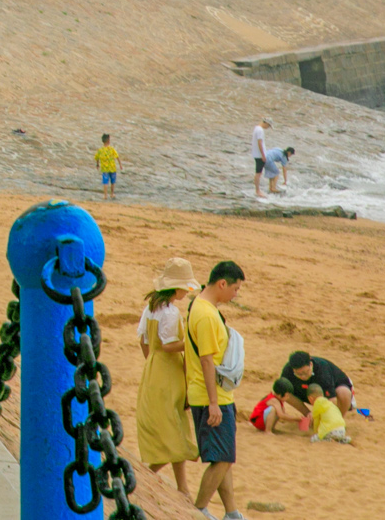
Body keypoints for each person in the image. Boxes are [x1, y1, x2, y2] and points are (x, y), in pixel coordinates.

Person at [184, 260, 246, 520]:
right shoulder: (207, 315)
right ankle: (198, 509)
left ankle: (231, 512)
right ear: (222, 283)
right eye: (235, 289)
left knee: (224, 457)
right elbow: (206, 360)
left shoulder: (197, 305)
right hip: (213, 396)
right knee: (222, 459)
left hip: (210, 393)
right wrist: (212, 403)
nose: (236, 295)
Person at [137, 258, 201, 495]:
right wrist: (192, 344)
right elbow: (169, 345)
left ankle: (182, 486)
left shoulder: (151, 307)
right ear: (176, 287)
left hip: (154, 368)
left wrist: (151, 364)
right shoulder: (171, 312)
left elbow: (143, 340)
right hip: (169, 370)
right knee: (174, 425)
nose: (186, 291)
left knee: (172, 424)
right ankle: (148, 474)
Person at [272, 350, 358, 420]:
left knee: (344, 393)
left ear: (311, 364)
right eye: (299, 374)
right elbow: (280, 390)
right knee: (285, 393)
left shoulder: (323, 370)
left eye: (306, 372)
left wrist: (316, 412)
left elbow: (332, 399)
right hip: (306, 390)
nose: (303, 376)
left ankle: (338, 420)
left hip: (332, 389)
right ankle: (308, 416)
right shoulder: (288, 370)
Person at [251, 119, 271, 198]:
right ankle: (257, 191)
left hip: (256, 154)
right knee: (258, 173)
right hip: (259, 155)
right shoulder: (260, 130)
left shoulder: (256, 128)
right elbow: (260, 142)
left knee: (258, 173)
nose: (268, 127)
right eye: (268, 126)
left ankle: (257, 190)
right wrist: (263, 155)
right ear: (265, 123)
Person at [96, 132, 120, 200]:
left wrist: (97, 164)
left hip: (104, 169)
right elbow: (117, 157)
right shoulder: (112, 149)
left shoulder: (100, 150)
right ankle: (112, 194)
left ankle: (105, 195)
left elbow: (97, 158)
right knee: (113, 182)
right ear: (109, 141)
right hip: (112, 168)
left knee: (105, 182)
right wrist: (120, 164)